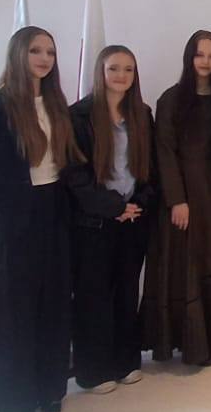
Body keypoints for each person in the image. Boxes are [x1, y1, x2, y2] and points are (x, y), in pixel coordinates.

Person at [0, 26, 78, 412]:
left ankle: (49, 388)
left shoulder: (56, 104)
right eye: (35, 51)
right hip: (12, 220)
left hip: (53, 212)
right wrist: (4, 207)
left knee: (53, 304)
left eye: (50, 52)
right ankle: (19, 399)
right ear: (18, 56)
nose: (44, 59)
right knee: (15, 311)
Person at [145, 30, 211, 367]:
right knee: (187, 265)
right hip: (185, 195)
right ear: (189, 57)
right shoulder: (171, 99)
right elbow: (164, 152)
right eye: (200, 55)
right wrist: (177, 199)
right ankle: (192, 343)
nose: (206, 62)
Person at [66, 45, 155, 393]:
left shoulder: (141, 114)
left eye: (128, 70)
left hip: (133, 219)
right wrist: (113, 207)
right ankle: (93, 370)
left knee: (126, 292)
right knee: (94, 296)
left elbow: (150, 171)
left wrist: (136, 205)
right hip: (94, 222)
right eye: (114, 69)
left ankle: (125, 361)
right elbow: (75, 176)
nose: (121, 76)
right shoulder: (78, 117)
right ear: (100, 73)